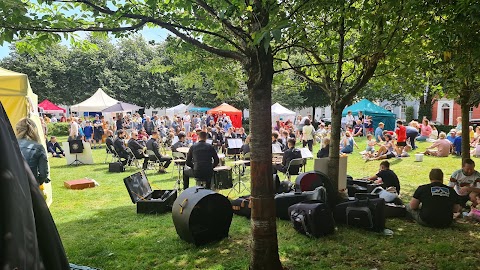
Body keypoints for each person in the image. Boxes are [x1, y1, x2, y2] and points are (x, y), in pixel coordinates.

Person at [16, 118, 49, 185]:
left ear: (18, 130)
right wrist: (37, 182)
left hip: (13, 184)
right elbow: (43, 173)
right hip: (31, 184)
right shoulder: (38, 147)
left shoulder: (10, 144)